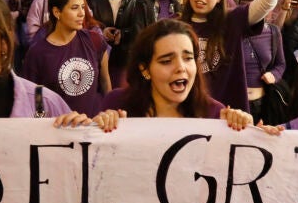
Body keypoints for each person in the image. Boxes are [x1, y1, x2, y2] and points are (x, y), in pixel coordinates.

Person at [93, 19, 278, 135]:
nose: (181, 68)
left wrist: (256, 139)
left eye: (188, 58)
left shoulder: (215, 114)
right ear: (145, 69)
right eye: (166, 61)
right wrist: (88, 127)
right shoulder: (116, 103)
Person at [179, 0, 285, 111]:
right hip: (186, 112)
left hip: (227, 117)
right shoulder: (174, 26)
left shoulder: (232, 21)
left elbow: (266, 3)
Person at [22, 0, 111, 115]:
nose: (82, 13)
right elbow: (34, 100)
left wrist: (108, 111)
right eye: (74, 8)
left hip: (93, 126)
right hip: (57, 129)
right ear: (57, 12)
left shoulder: (95, 40)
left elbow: (105, 81)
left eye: (82, 7)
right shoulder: (38, 53)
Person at [235, 0, 284, 125]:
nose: (252, 14)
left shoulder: (273, 32)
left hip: (262, 103)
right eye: (246, 8)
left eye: (256, 9)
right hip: (235, 103)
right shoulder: (231, 31)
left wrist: (274, 75)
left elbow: (281, 64)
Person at [88, 0, 139, 88]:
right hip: (99, 55)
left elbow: (136, 28)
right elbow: (88, 25)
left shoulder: (131, 1)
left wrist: (123, 33)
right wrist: (102, 31)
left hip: (124, 57)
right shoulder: (94, 1)